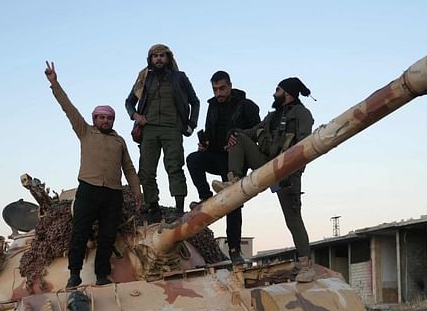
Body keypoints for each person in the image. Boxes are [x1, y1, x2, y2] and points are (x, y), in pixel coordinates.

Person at [45, 60, 142, 288]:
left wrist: (137, 192)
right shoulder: (85, 132)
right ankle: (74, 273)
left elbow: (128, 168)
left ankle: (101, 275)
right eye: (101, 117)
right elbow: (68, 108)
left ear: (112, 121)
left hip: (113, 194)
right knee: (80, 233)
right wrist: (55, 84)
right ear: (94, 119)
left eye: (108, 118)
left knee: (107, 237)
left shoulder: (119, 141)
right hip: (88, 190)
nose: (105, 121)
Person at [213, 77, 316, 282]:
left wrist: (292, 169)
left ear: (288, 92)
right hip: (265, 164)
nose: (274, 93)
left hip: (287, 168)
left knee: (293, 219)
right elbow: (251, 132)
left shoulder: (302, 115)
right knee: (238, 136)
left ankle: (306, 265)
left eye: (277, 90)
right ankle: (233, 180)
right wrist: (234, 134)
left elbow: (305, 144)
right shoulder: (273, 117)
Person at [186, 71, 260, 263]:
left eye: (222, 88)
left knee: (232, 204)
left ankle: (235, 250)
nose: (218, 93)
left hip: (235, 161)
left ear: (230, 86)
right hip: (216, 155)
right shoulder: (212, 107)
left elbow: (259, 132)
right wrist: (205, 144)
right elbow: (210, 130)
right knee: (193, 160)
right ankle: (205, 196)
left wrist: (239, 135)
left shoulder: (247, 106)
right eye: (215, 89)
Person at [125, 44, 199, 220]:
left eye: (162, 55)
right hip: (148, 129)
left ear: (168, 58)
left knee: (174, 167)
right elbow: (129, 102)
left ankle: (179, 208)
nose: (158, 59)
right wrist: (135, 115)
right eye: (155, 56)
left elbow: (195, 101)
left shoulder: (179, 77)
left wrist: (191, 124)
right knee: (146, 170)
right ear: (150, 59)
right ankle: (153, 207)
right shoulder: (145, 78)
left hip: (172, 127)